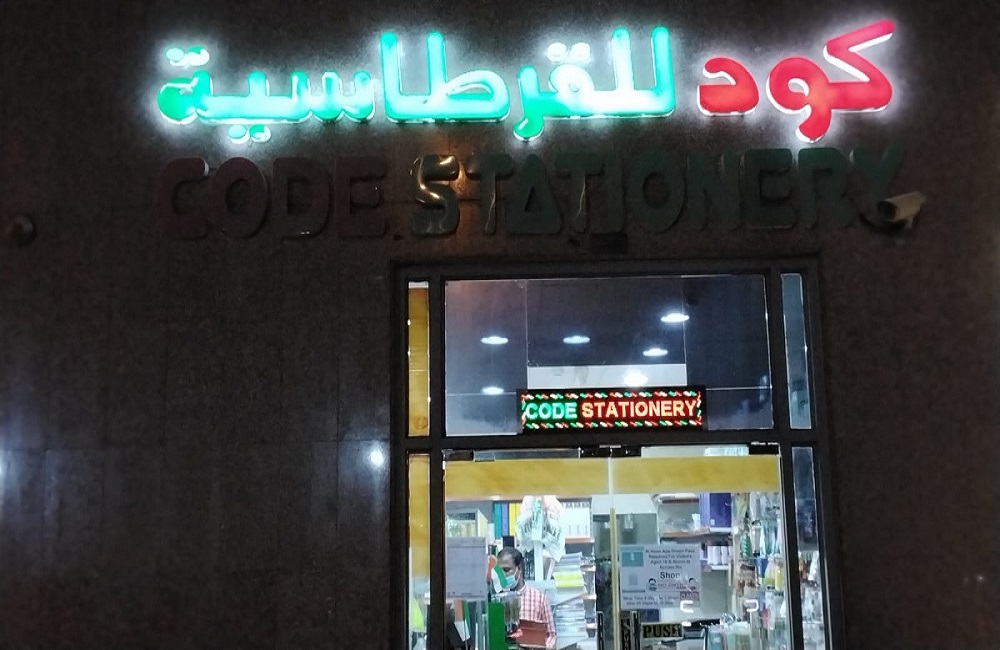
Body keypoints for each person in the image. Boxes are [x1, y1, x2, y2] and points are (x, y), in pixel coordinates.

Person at [497, 547, 556, 650]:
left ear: (519, 568)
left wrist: (542, 647)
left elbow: (551, 636)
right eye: (499, 571)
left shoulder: (539, 599)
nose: (502, 575)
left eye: (506, 570)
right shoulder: (496, 601)